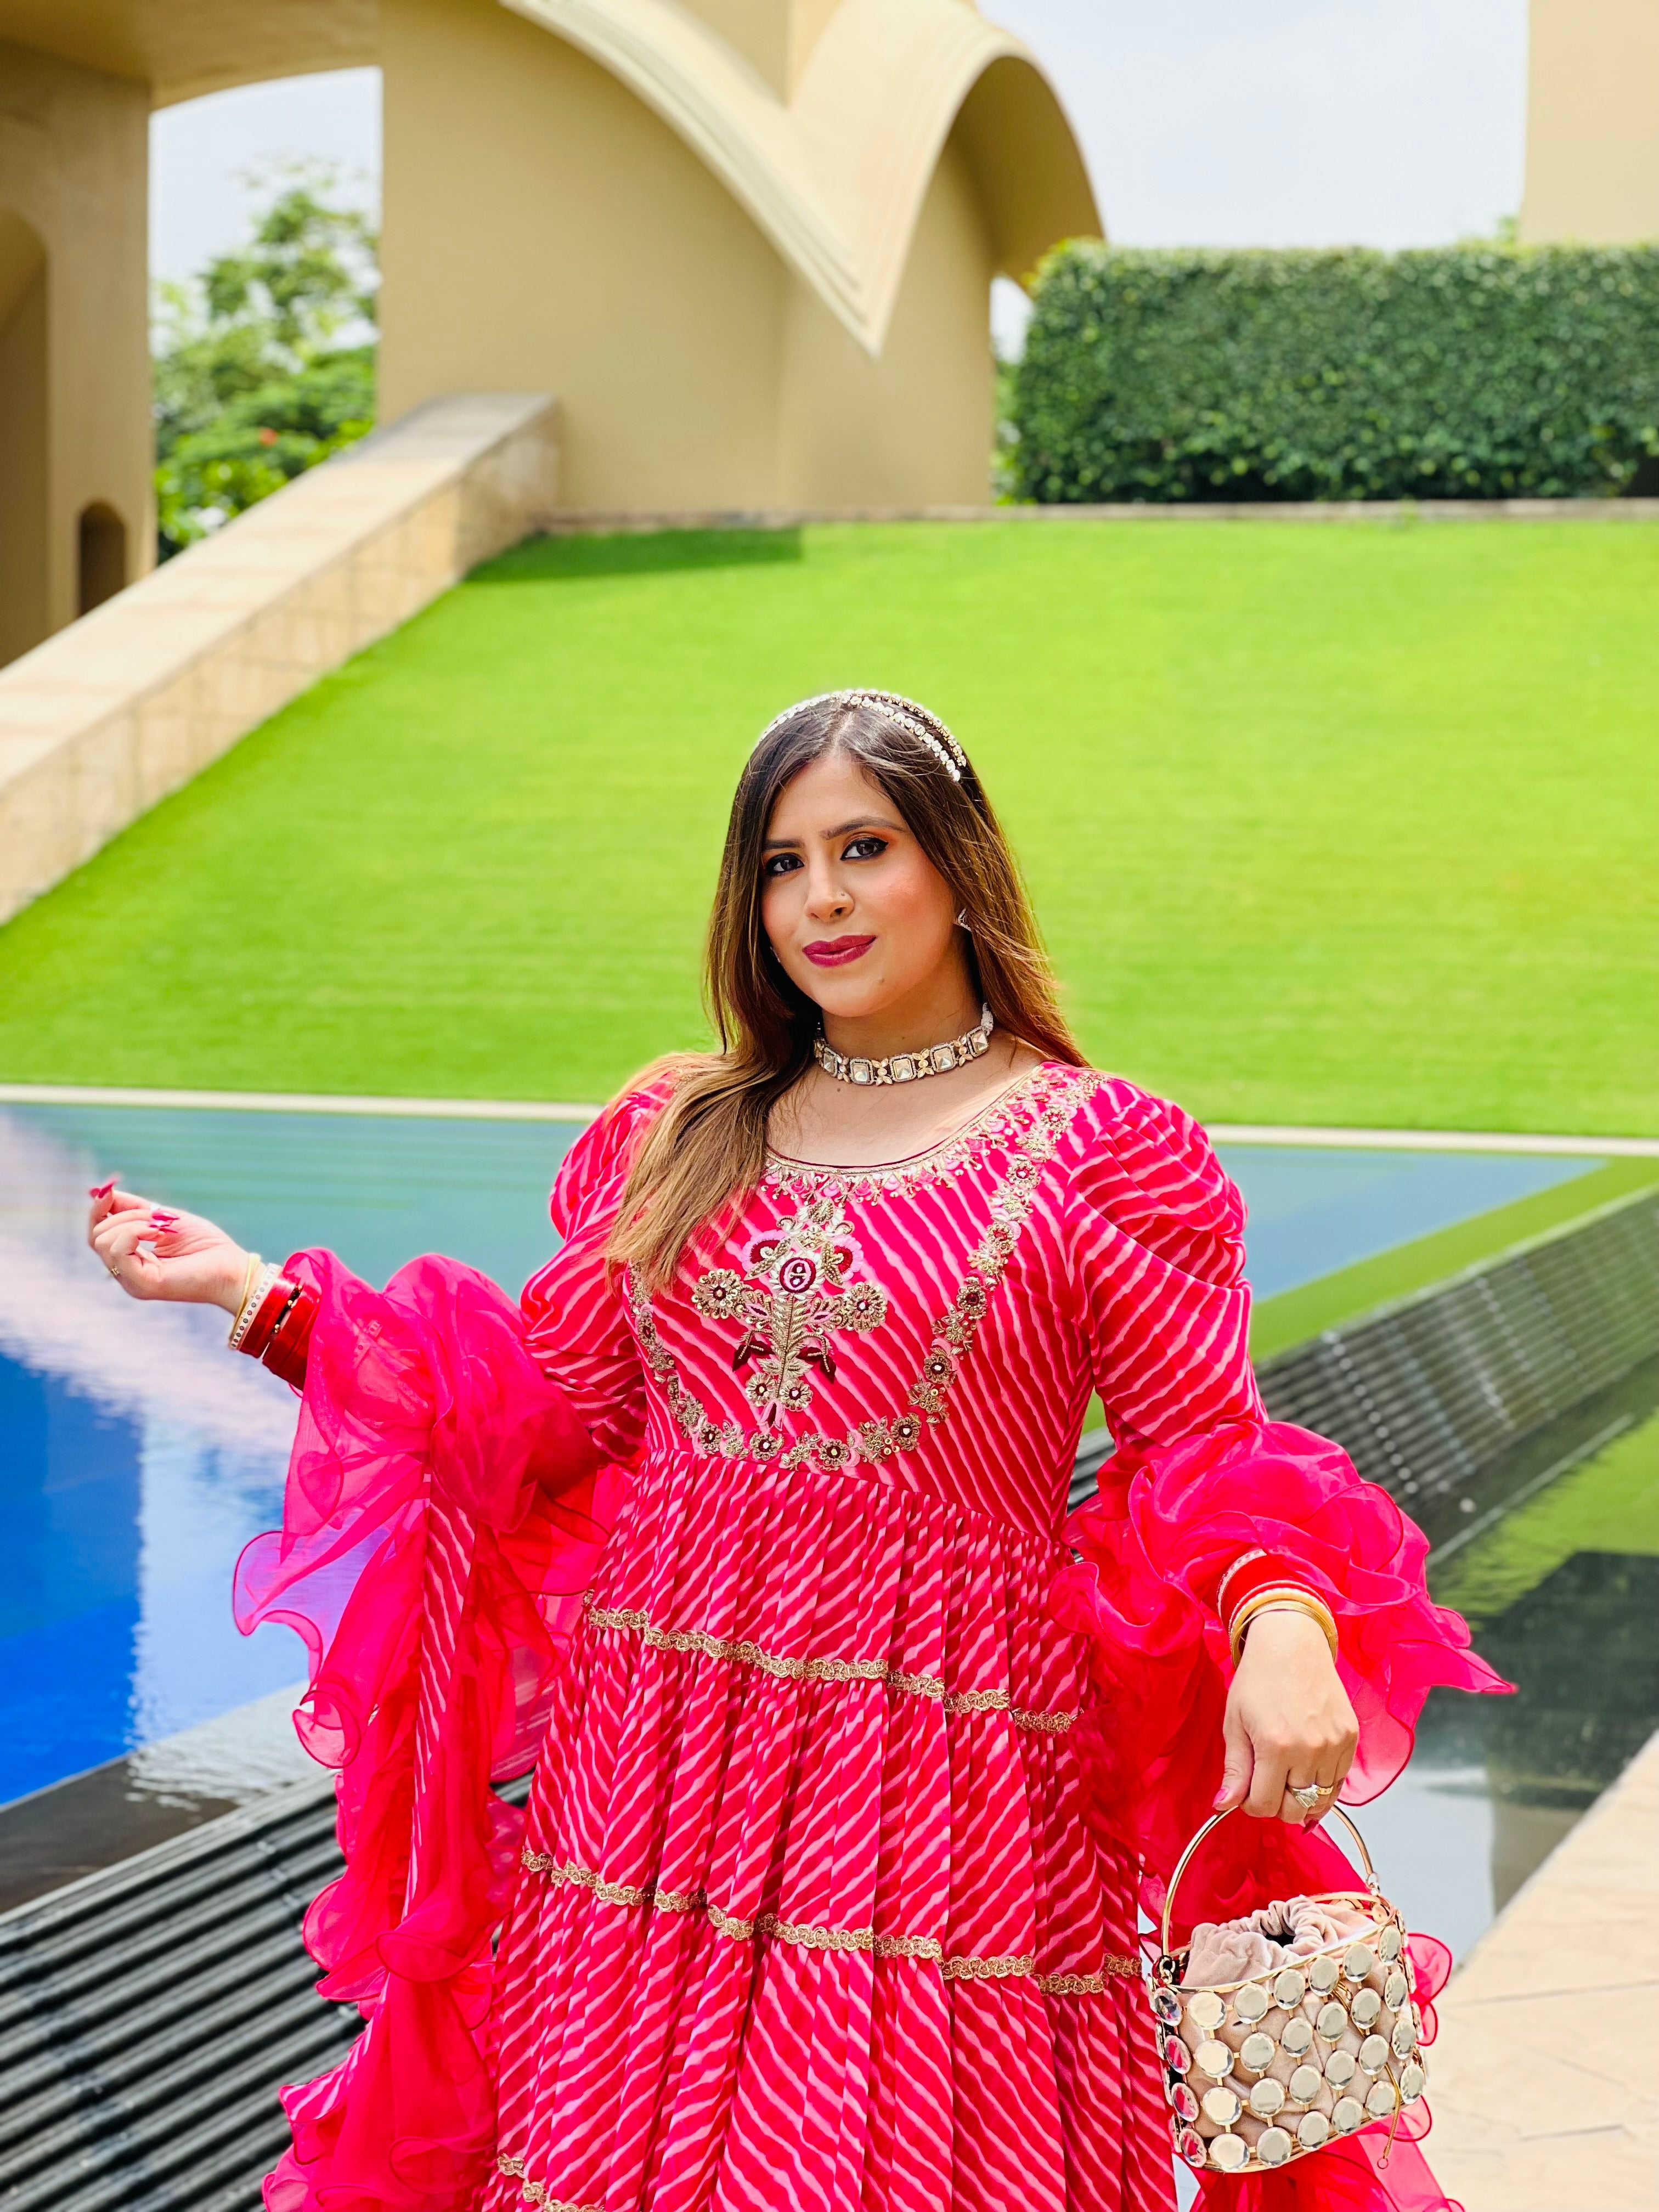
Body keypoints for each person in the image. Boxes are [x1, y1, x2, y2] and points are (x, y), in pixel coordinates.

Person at [89, 691, 1497, 2212]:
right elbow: (542, 1407)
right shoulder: (681, 1132)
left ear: (956, 867)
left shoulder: (1104, 1150)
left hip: (948, 1785)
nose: (818, 900)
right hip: (651, 1779)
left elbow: (1203, 1452)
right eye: (779, 863)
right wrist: (256, 1295)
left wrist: (1281, 1619)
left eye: (864, 848)